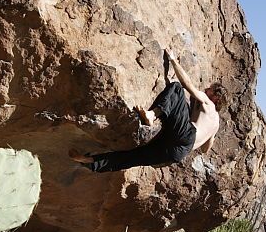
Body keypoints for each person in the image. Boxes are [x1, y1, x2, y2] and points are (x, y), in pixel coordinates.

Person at [69, 51, 226, 173]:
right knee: (134, 157)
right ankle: (89, 161)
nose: (206, 89)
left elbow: (187, 84)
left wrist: (172, 59)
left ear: (215, 97)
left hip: (185, 135)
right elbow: (205, 150)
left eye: (209, 90)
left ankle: (152, 114)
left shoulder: (208, 103)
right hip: (178, 152)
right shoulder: (216, 124)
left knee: (177, 88)